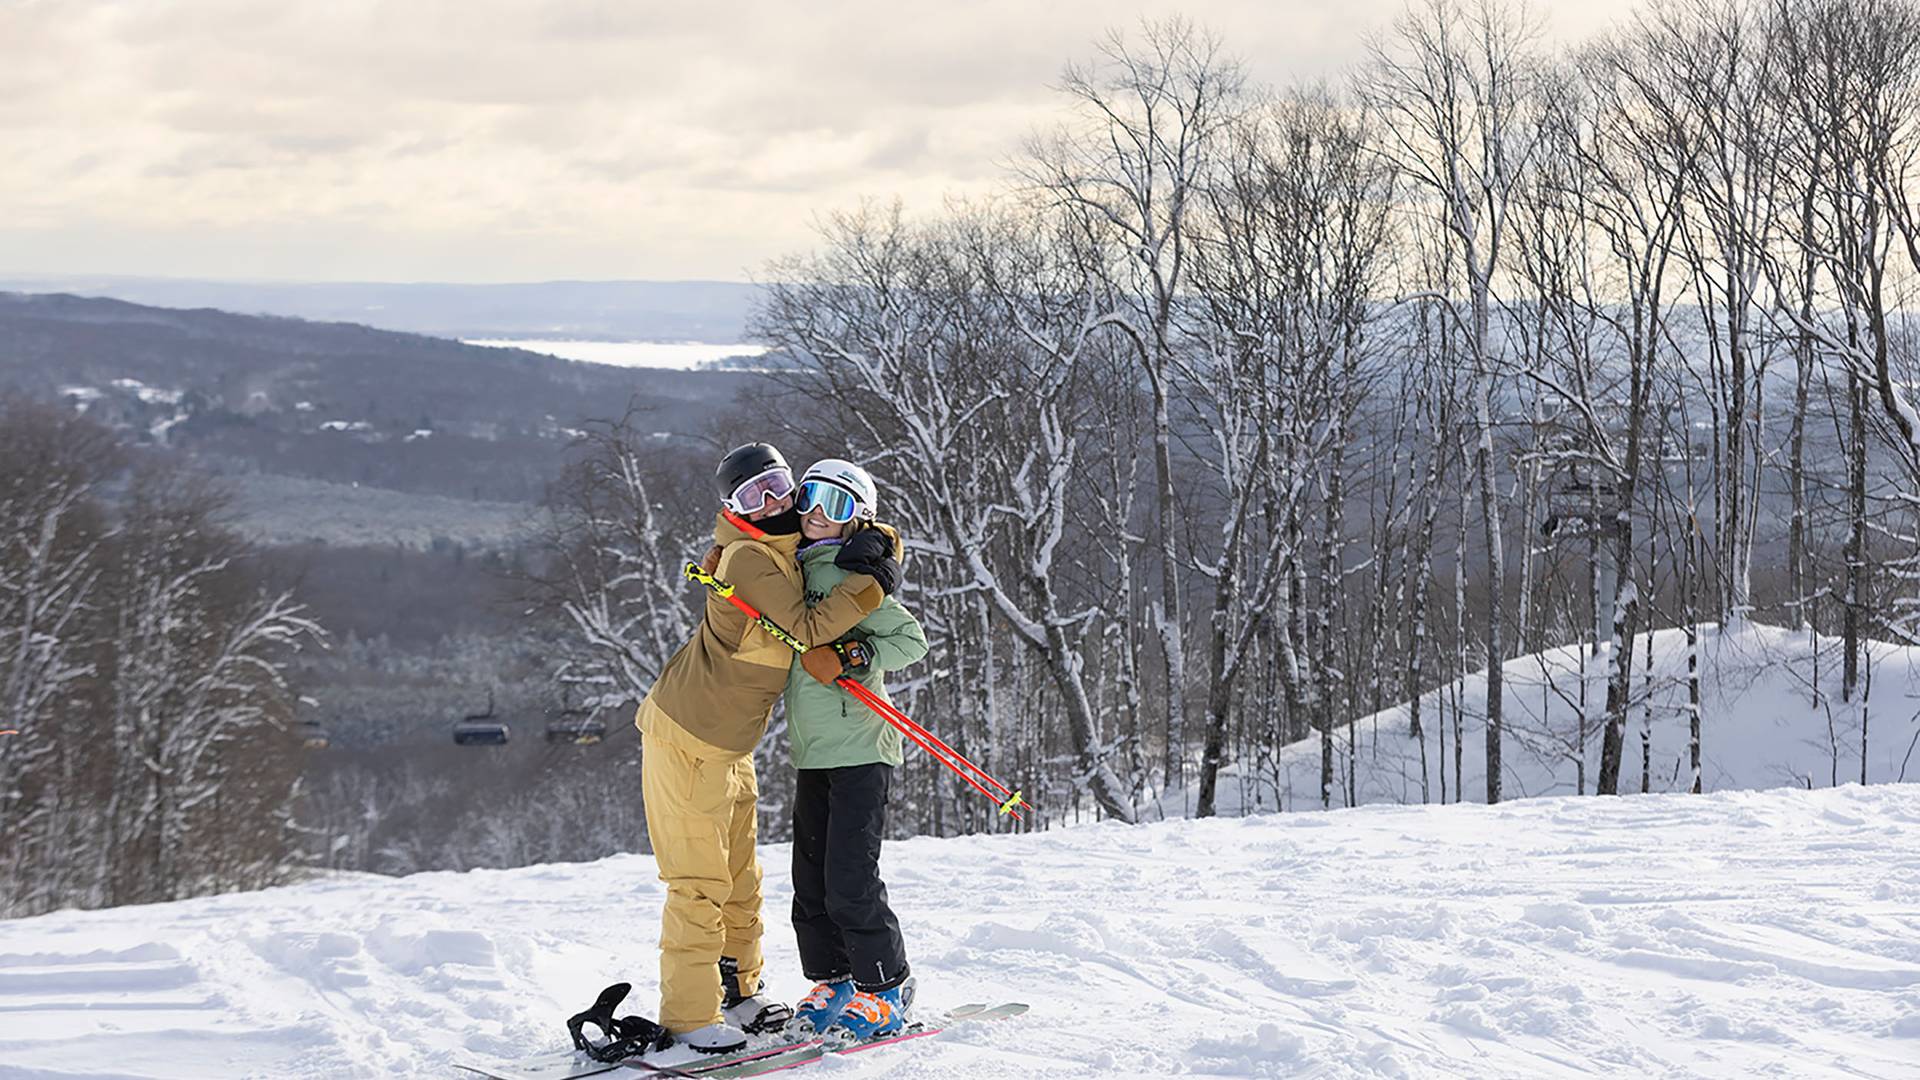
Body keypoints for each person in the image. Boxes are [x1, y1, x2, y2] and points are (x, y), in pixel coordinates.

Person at [633, 443, 901, 1056]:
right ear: (735, 509)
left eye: (782, 485)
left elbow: (833, 541)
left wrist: (879, 543)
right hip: (689, 735)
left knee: (741, 880)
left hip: (731, 744)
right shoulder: (752, 558)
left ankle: (740, 992)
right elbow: (808, 628)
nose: (778, 501)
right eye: (757, 496)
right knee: (698, 884)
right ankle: (691, 1016)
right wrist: (872, 584)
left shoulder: (775, 549)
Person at [780, 459, 927, 1042]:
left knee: (849, 878)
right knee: (809, 879)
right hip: (812, 751)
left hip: (863, 746)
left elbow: (909, 642)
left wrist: (851, 657)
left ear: (856, 520)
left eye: (835, 506)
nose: (817, 514)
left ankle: (885, 985)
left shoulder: (854, 579)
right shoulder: (790, 571)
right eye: (810, 498)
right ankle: (834, 979)